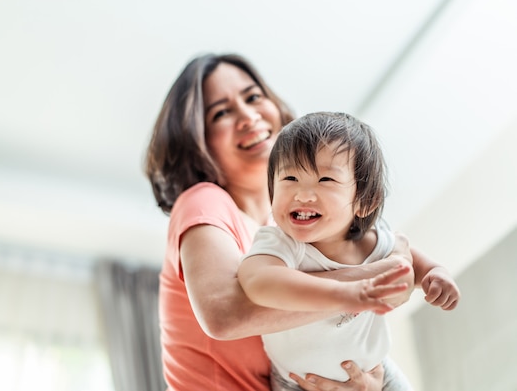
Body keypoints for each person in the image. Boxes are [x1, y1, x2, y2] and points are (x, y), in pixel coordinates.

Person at [144, 53, 456, 391]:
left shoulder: (292, 230)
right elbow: (224, 316)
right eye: (221, 112)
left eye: (253, 97)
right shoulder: (204, 200)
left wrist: (364, 381)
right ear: (196, 138)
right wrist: (374, 280)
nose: (248, 116)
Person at [237, 112, 460, 391]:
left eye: (326, 180)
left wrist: (435, 274)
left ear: (365, 202)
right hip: (300, 383)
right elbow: (258, 281)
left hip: (377, 371)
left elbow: (408, 260)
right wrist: (345, 293)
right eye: (290, 177)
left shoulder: (375, 241)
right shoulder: (281, 243)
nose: (303, 194)